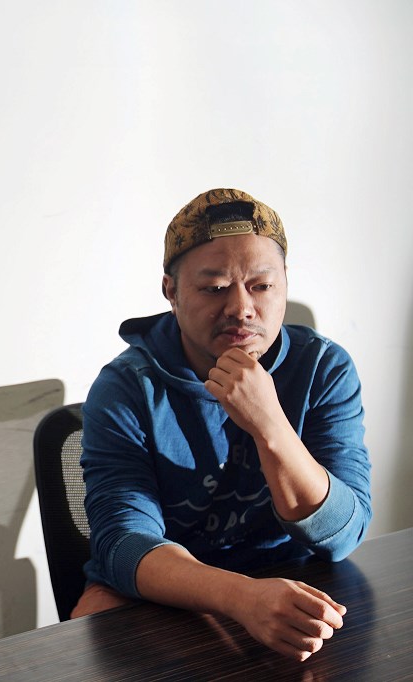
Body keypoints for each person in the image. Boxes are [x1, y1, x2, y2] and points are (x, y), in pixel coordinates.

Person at [74, 188, 372, 662]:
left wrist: (270, 425)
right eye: (214, 288)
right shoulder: (127, 387)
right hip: (167, 592)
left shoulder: (323, 368)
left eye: (261, 285)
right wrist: (241, 597)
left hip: (289, 579)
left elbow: (344, 534)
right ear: (171, 291)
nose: (241, 308)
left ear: (285, 283)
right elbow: (123, 543)